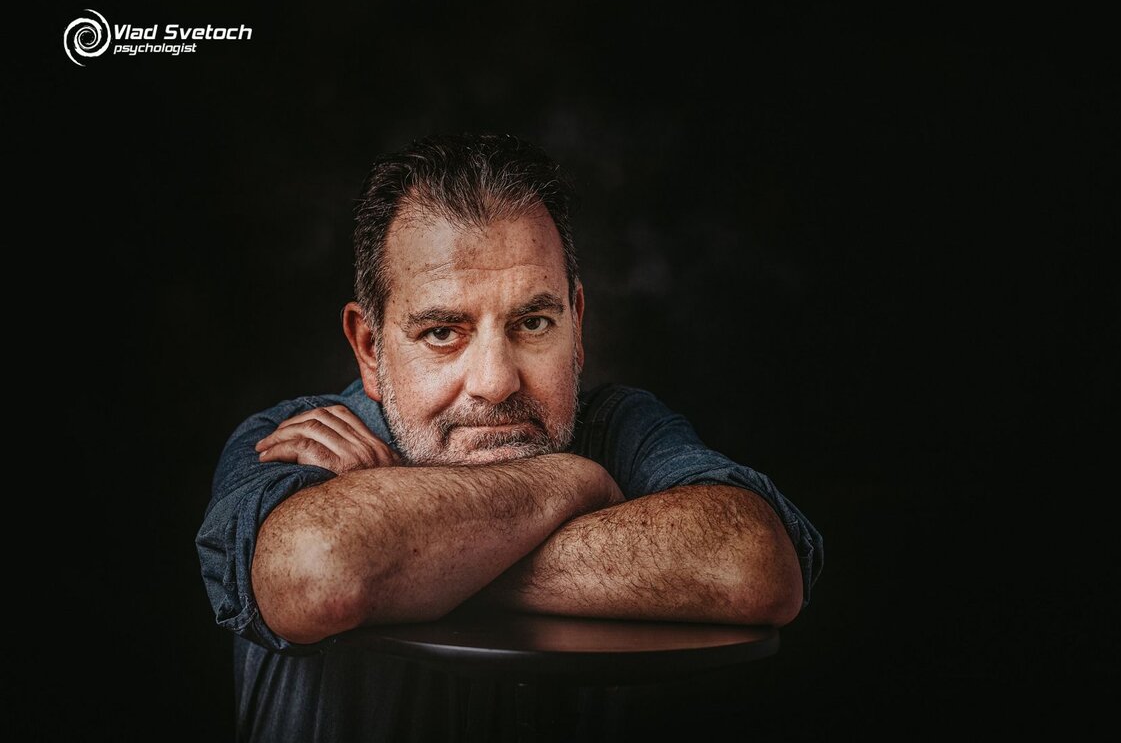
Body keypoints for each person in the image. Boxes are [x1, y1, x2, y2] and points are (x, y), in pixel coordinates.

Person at [196, 132, 824, 741]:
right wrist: (573, 480)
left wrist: (407, 555)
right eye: (443, 332)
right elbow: (315, 573)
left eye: (533, 323)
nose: (496, 383)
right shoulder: (299, 440)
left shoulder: (621, 425)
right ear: (368, 347)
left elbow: (755, 564)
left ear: (576, 326)